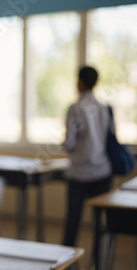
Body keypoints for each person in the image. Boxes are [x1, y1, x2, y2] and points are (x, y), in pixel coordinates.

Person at [62, 66, 113, 247]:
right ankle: (99, 262)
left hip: (80, 173)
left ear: (80, 83)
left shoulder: (75, 109)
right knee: (100, 222)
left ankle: (66, 261)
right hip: (102, 171)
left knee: (73, 220)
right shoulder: (104, 109)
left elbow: (69, 143)